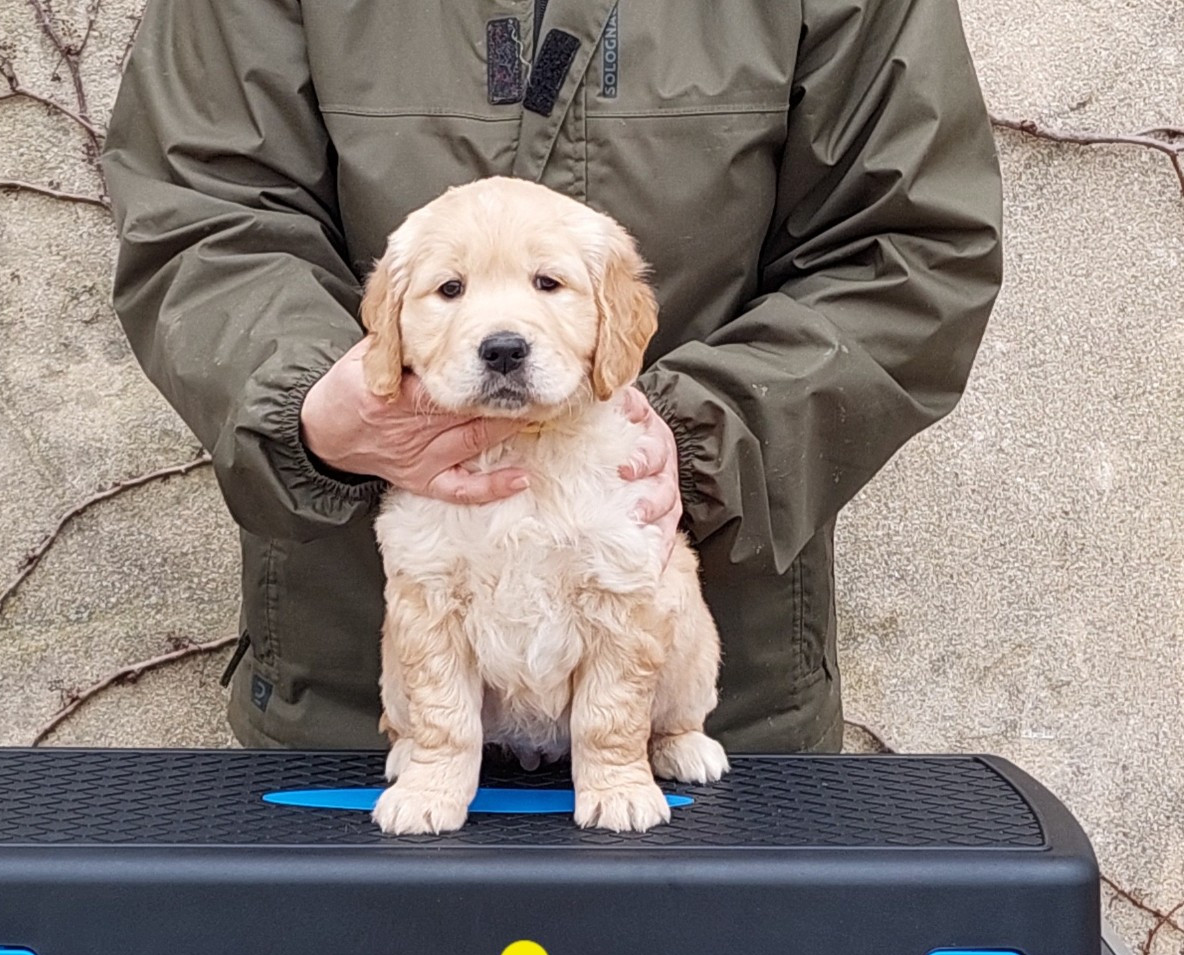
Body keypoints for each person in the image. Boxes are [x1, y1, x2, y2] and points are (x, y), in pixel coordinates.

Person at [102, 0, 1002, 755]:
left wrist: (699, 442)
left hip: (702, 692)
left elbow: (910, 246)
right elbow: (202, 211)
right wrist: (306, 401)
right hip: (363, 693)